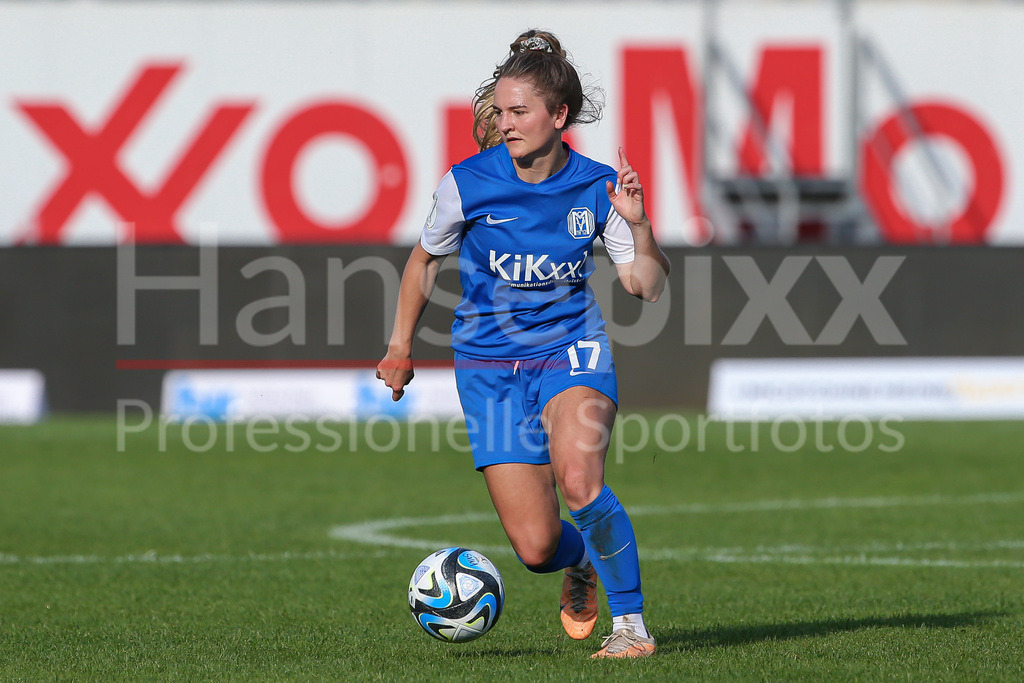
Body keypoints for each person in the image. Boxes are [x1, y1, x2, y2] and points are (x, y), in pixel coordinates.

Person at [377, 29, 670, 659]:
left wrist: (641, 229)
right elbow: (423, 260)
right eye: (500, 113)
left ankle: (631, 628)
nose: (505, 125)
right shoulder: (466, 182)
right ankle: (581, 560)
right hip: (487, 364)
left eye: (519, 113)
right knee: (537, 548)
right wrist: (401, 346)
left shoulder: (598, 189)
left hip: (571, 348)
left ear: (558, 116)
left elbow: (643, 286)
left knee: (580, 481)